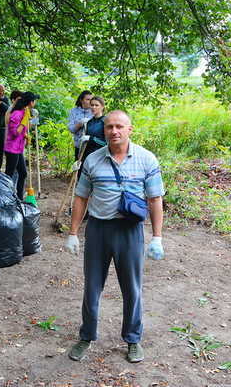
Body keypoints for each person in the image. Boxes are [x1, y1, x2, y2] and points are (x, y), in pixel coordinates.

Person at [64, 110, 165, 364]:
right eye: (109, 127)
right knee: (92, 286)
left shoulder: (146, 159)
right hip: (98, 229)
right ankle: (86, 336)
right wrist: (73, 232)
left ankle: (132, 339)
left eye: (119, 126)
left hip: (129, 231)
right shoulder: (93, 160)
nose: (114, 131)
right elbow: (81, 197)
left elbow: (154, 199)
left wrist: (157, 237)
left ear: (130, 129)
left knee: (132, 288)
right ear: (104, 130)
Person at [4, 91, 38, 200]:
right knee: (8, 175)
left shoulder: (25, 112)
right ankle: (5, 196)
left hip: (18, 149)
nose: (35, 102)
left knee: (23, 173)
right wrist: (23, 122)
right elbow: (14, 133)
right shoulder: (17, 114)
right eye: (34, 100)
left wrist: (26, 136)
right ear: (30, 102)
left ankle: (19, 198)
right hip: (11, 149)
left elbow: (22, 131)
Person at [78, 96, 107, 165]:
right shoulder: (89, 122)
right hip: (87, 156)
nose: (93, 107)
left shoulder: (106, 121)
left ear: (102, 107)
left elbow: (106, 144)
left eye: (96, 105)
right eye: (92, 105)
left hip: (100, 157)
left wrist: (91, 138)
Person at [67, 90, 93, 160]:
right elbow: (71, 129)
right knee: (79, 167)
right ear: (81, 100)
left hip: (92, 145)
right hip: (79, 146)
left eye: (91, 99)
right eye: (88, 99)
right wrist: (79, 124)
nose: (90, 102)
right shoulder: (73, 111)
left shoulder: (94, 110)